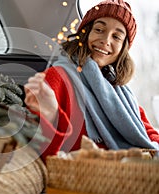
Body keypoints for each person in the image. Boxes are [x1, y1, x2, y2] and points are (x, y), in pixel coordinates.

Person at [24, 0, 159, 161]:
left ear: (123, 48)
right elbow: (36, 148)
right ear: (86, 33)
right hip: (81, 177)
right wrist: (51, 116)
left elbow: (145, 132)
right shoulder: (57, 77)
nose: (106, 40)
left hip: (126, 176)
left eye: (116, 36)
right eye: (99, 30)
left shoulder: (121, 93)